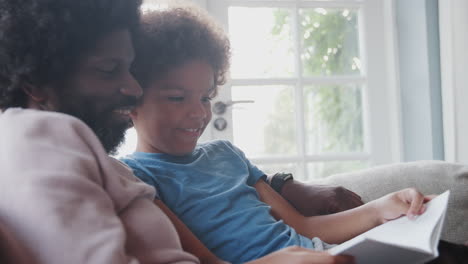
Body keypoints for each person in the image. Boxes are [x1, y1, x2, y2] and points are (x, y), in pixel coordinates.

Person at [0, 0, 356, 263]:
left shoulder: (104, 165)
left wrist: (279, 184)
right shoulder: (36, 140)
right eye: (110, 70)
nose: (132, 88)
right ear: (36, 82)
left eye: (205, 97)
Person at [122, 6, 434, 264]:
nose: (199, 113)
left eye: (205, 97)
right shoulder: (133, 178)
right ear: (129, 101)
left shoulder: (226, 155)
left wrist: (381, 209)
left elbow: (305, 226)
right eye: (177, 98)